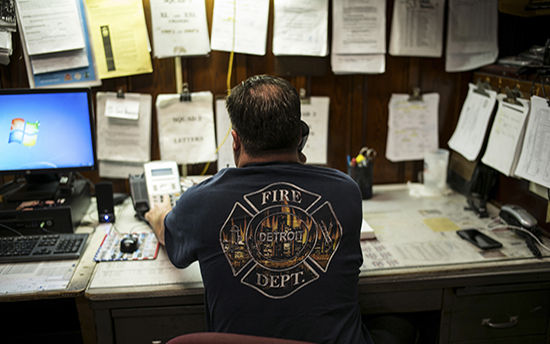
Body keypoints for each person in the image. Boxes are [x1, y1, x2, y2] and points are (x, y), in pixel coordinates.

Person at [145, 75, 373, 344]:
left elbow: (168, 238)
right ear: (300, 136)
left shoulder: (202, 202)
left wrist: (158, 214)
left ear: (235, 141)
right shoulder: (345, 191)